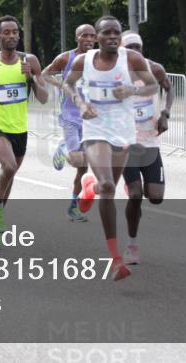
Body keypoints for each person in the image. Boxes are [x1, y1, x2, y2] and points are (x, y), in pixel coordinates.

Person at [62, 16, 158, 281]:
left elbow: (152, 84)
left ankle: (88, 186)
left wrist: (130, 90)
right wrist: (81, 105)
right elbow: (68, 84)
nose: (113, 38)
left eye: (117, 33)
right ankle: (116, 259)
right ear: (97, 37)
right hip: (95, 129)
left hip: (123, 131)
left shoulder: (132, 59)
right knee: (108, 187)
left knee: (108, 189)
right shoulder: (85, 61)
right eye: (107, 33)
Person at [0, 15, 48, 248]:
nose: (11, 36)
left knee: (9, 174)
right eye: (6, 32)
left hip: (20, 129)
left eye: (15, 32)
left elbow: (43, 98)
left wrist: (32, 78)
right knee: (10, 166)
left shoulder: (30, 60)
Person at [119, 33, 172, 265]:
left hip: (150, 142)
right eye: (130, 47)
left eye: (138, 47)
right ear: (122, 49)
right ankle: (132, 245)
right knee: (136, 195)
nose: (135, 51)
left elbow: (169, 89)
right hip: (126, 144)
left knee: (156, 197)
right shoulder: (116, 72)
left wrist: (165, 114)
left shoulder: (154, 69)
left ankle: (134, 194)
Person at [42, 23, 97, 222]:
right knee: (76, 160)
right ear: (77, 38)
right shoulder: (66, 57)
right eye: (84, 36)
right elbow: (44, 74)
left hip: (90, 120)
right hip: (70, 117)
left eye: (92, 36)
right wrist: (62, 86)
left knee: (83, 169)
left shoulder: (98, 59)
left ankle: (73, 207)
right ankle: (63, 149)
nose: (89, 39)